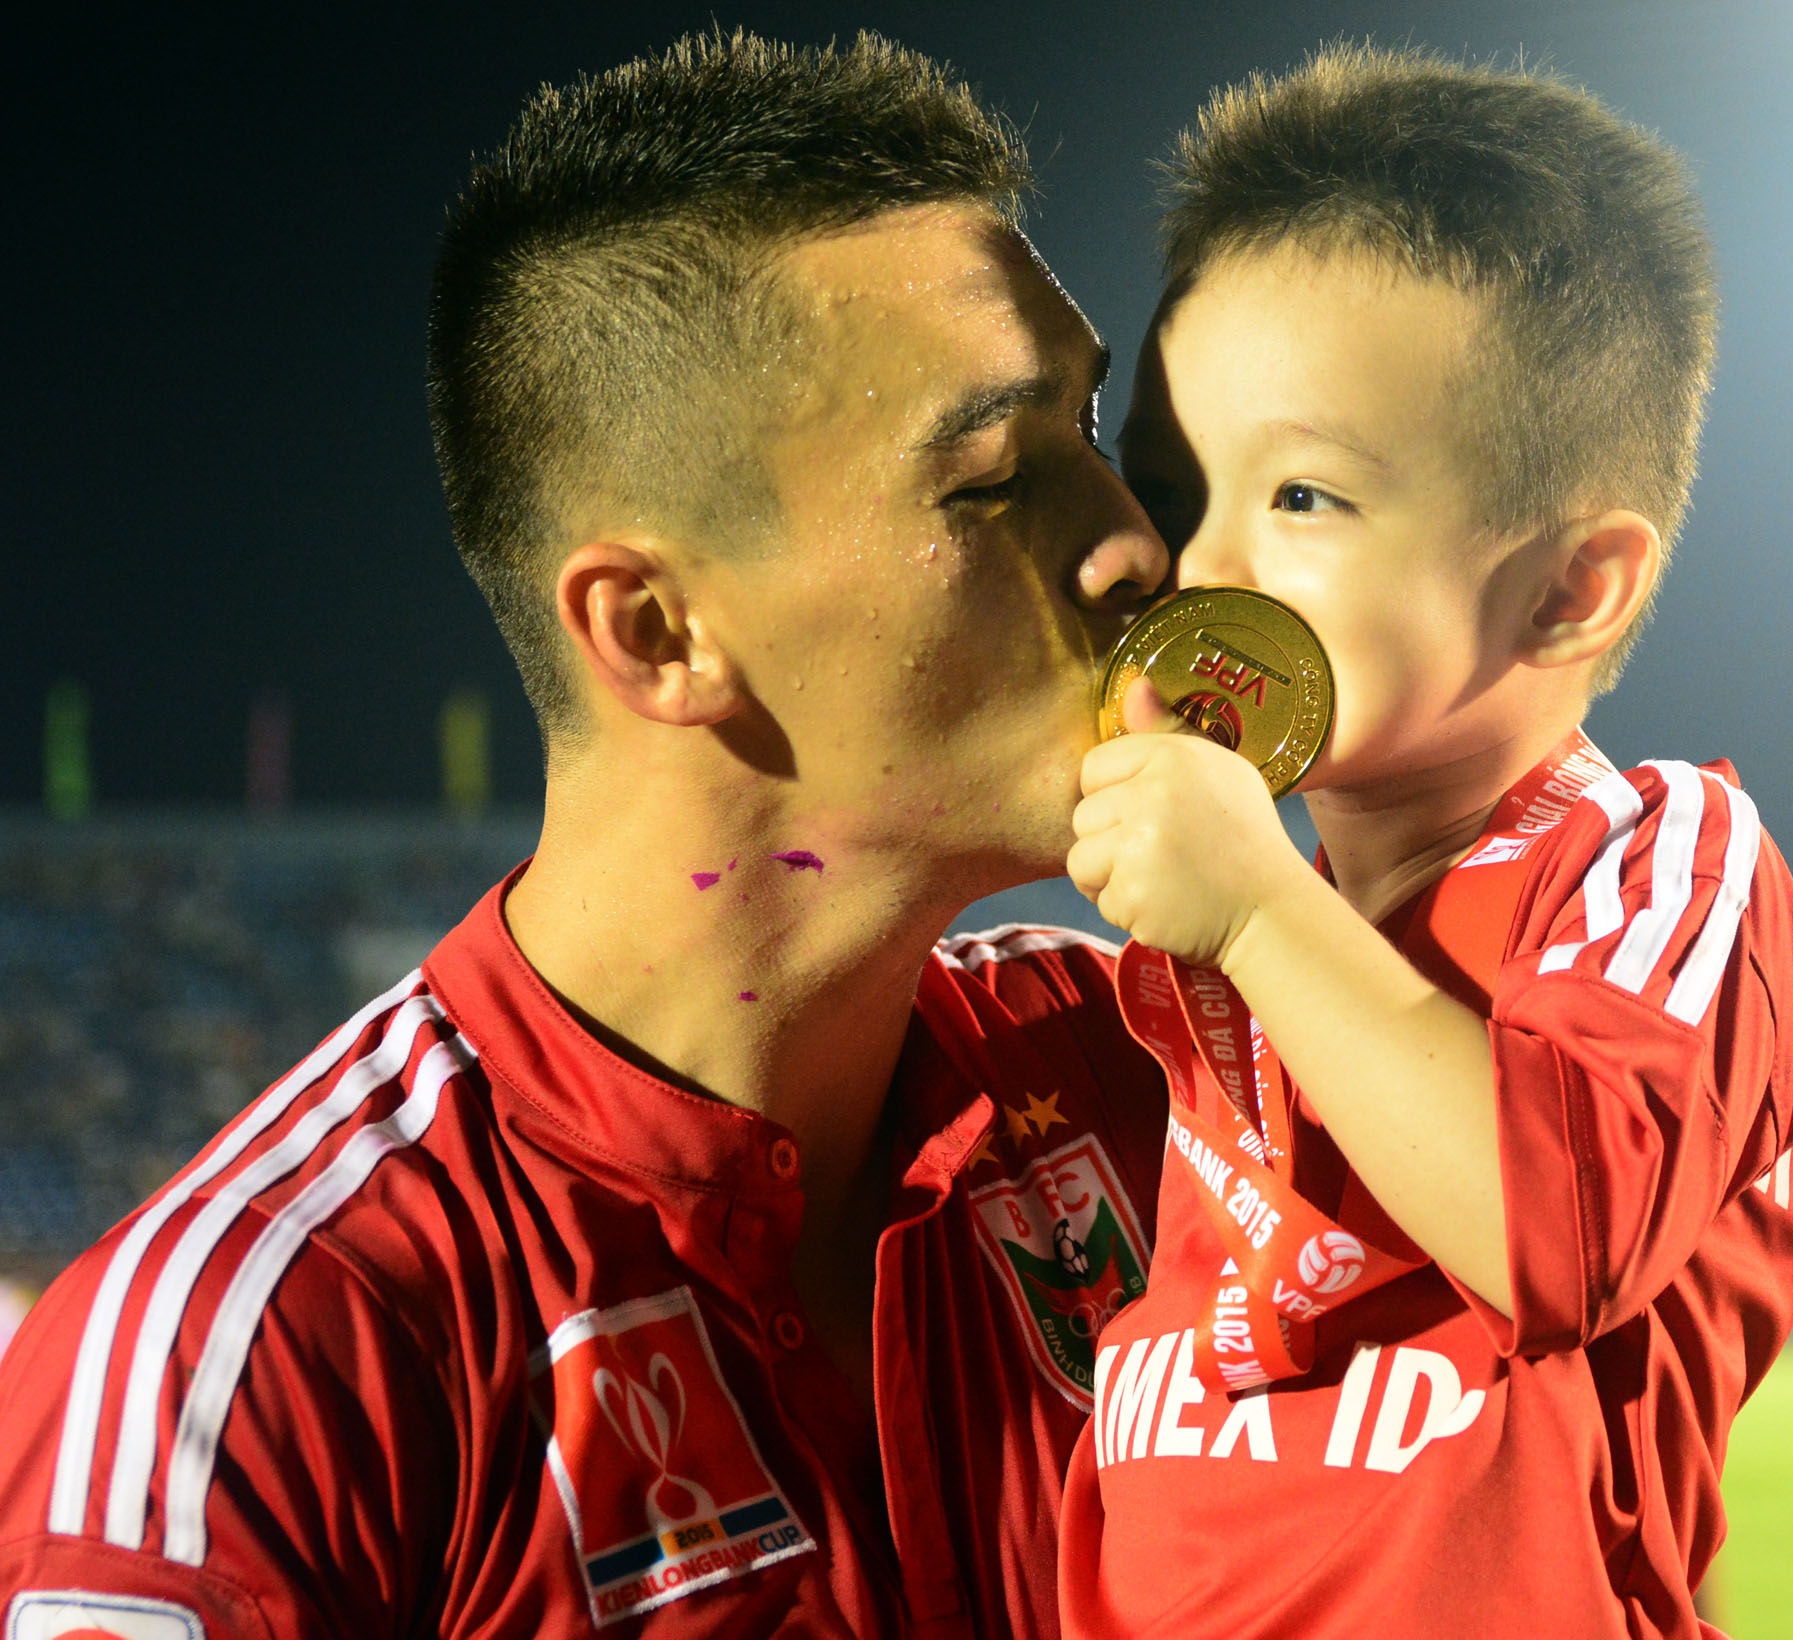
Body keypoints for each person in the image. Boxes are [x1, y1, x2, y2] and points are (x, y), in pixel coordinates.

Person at [0, 33, 1173, 1639]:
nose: (1130, 544)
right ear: (658, 632)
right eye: (992, 481)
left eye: (1090, 438)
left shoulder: (1164, 1076)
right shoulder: (266, 1359)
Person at [1059, 45, 1793, 1640]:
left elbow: (1557, 1235)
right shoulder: (1192, 925)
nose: (1196, 564)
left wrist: (1262, 918)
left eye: (1301, 495)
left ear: (1572, 587)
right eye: (1167, 486)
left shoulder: (1658, 859)